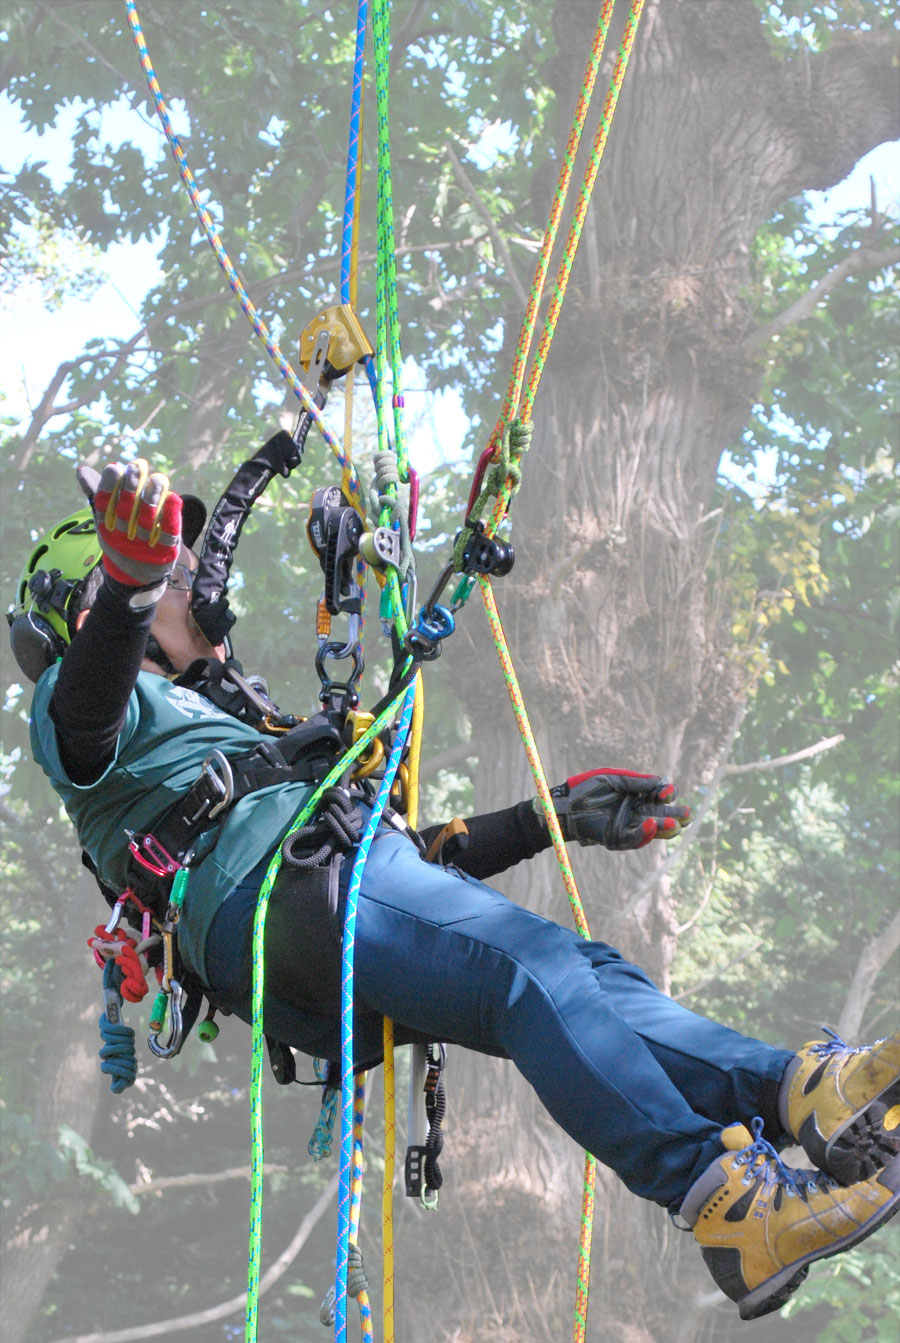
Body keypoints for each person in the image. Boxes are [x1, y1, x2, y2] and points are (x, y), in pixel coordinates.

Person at [10, 459, 900, 1324]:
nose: (194, 580)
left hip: (308, 898)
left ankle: (796, 1092)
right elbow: (86, 712)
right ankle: (726, 1206)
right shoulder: (81, 702)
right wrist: (130, 586)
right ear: (95, 608)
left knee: (585, 974)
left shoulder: (224, 722)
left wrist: (545, 818)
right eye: (170, 572)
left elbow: (404, 867)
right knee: (530, 969)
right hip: (277, 897)